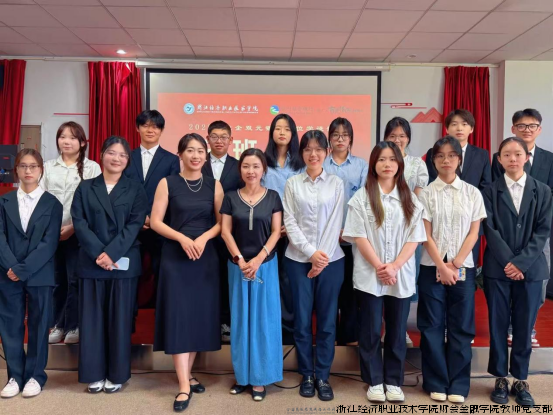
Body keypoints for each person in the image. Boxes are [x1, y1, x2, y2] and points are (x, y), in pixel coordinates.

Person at [343, 141, 426, 403]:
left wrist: (395, 266)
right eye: (381, 159)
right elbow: (358, 236)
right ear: (373, 164)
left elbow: (415, 238)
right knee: (369, 330)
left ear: (399, 164)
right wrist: (380, 266)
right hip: (370, 275)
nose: (387, 164)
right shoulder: (362, 197)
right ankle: (374, 380)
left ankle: (394, 381)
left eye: (392, 159)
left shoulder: (410, 198)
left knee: (397, 330)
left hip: (399, 275)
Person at [152, 133, 224, 412]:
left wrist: (203, 238)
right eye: (190, 150)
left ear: (206, 156)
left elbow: (222, 223)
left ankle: (188, 374)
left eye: (200, 151)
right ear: (180, 154)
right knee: (179, 317)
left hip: (205, 258)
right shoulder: (167, 183)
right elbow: (156, 222)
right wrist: (182, 238)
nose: (195, 156)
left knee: (196, 318)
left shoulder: (214, 185)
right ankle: (184, 385)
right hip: (175, 256)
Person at [71, 136, 148, 394]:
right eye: (112, 153)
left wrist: (112, 253)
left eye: (122, 155)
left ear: (128, 160)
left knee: (119, 321)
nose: (117, 158)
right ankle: (93, 374)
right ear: (102, 154)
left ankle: (117, 374)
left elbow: (135, 224)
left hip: (123, 263)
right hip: (91, 261)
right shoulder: (85, 187)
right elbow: (79, 223)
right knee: (91, 321)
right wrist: (99, 253)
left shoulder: (135, 189)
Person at [483, 137, 552, 407]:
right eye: (506, 154)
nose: (512, 159)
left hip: (531, 270)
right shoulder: (489, 191)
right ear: (499, 160)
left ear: (526, 157)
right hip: (497, 269)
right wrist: (508, 262)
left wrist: (521, 263)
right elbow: (489, 229)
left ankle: (521, 379)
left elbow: (543, 231)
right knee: (498, 324)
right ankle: (500, 378)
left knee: (524, 326)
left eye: (517, 154)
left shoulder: (542, 190)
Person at [418, 136, 486, 404]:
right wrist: (441, 265)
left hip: (463, 268)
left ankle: (458, 384)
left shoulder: (472, 193)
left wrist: (455, 264)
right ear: (433, 161)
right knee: (431, 325)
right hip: (431, 267)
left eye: (451, 155)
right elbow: (425, 235)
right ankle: (435, 382)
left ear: (459, 159)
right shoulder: (426, 194)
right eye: (440, 156)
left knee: (461, 327)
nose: (445, 160)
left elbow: (474, 233)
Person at [283, 130, 344, 402]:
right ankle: (307, 374)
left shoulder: (336, 183)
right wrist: (310, 253)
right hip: (298, 261)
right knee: (302, 320)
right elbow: (289, 222)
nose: (313, 154)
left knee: (328, 321)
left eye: (319, 149)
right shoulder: (292, 183)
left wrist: (321, 259)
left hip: (331, 261)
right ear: (301, 153)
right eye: (308, 149)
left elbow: (336, 222)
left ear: (327, 152)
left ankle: (323, 376)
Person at [220, 148, 283, 402]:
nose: (251, 171)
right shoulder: (230, 197)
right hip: (237, 266)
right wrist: (240, 260)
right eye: (246, 166)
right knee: (240, 322)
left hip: (265, 265)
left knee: (263, 322)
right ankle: (242, 376)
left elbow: (277, 232)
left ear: (263, 169)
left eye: (256, 166)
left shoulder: (273, 197)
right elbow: (225, 231)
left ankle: (260, 378)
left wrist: (257, 260)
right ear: (240, 169)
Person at [0, 149, 63, 399]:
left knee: (39, 324)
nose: (28, 171)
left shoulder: (52, 204)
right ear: (16, 170)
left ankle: (36, 376)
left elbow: (50, 242)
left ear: (41, 170)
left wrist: (24, 269)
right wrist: (12, 267)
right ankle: (15, 376)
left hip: (40, 272)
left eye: (33, 166)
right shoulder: (4, 201)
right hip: (7, 273)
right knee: (10, 325)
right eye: (23, 166)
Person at [491, 109, 553, 348]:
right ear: (513, 128)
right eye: (521, 125)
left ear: (539, 129)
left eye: (532, 125)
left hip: (537, 233)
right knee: (506, 283)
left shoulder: (548, 159)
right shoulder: (500, 157)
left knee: (537, 284)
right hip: (507, 234)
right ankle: (509, 328)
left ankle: (528, 328)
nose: (527, 129)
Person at [42, 122, 101, 345]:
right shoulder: (48, 167)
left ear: (83, 142)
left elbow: (94, 203)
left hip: (79, 233)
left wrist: (74, 227)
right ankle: (58, 325)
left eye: (73, 138)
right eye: (62, 137)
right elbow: (41, 199)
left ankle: (74, 325)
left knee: (75, 280)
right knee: (56, 281)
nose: (66, 141)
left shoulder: (92, 168)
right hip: (52, 233)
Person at [125, 110, 180, 326]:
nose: (150, 130)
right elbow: (122, 192)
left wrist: (154, 218)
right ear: (137, 128)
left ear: (161, 130)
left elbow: (173, 194)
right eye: (146, 125)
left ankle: (160, 320)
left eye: (155, 126)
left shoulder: (171, 160)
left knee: (161, 272)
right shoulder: (126, 157)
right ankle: (128, 318)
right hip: (131, 227)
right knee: (130, 273)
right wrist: (139, 218)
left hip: (160, 228)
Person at [383, 116, 429, 345]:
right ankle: (387, 329)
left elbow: (419, 199)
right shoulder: (380, 161)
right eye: (393, 136)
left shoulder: (417, 165)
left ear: (408, 138)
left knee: (406, 280)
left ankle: (401, 330)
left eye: (402, 136)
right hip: (383, 231)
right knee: (384, 278)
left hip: (408, 231)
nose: (397, 139)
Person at [323, 117, 368, 347]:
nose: (340, 139)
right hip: (325, 240)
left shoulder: (361, 166)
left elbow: (364, 201)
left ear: (351, 139)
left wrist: (348, 229)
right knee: (329, 292)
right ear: (329, 138)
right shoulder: (321, 164)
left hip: (352, 239)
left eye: (345, 135)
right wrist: (333, 230)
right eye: (336, 135)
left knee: (351, 290)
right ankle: (328, 337)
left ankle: (349, 336)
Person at [263, 114, 305, 345]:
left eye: (287, 129)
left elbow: (302, 199)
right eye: (278, 128)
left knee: (289, 281)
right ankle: (269, 327)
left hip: (292, 231)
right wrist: (274, 226)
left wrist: (288, 226)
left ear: (293, 134)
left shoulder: (300, 163)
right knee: (269, 279)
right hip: (267, 231)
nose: (282, 133)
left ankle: (288, 329)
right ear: (271, 132)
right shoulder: (263, 161)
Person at [202, 120, 242, 343]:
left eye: (223, 137)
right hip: (201, 231)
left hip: (231, 232)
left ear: (231, 140)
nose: (219, 141)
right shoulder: (197, 162)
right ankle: (206, 321)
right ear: (207, 139)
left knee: (227, 278)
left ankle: (226, 322)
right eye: (215, 136)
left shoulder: (239, 166)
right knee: (205, 278)